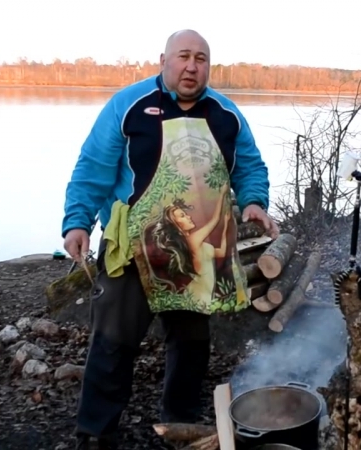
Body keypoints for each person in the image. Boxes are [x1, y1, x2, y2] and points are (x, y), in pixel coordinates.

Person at [61, 29, 277, 449]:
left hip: (195, 252)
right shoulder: (129, 106)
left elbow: (250, 166)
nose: (192, 66)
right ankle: (96, 431)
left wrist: (253, 201)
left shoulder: (225, 114)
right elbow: (93, 168)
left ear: (208, 67)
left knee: (192, 342)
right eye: (183, 56)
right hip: (133, 248)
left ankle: (179, 423)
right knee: (113, 340)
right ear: (164, 60)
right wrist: (78, 222)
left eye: (201, 58)